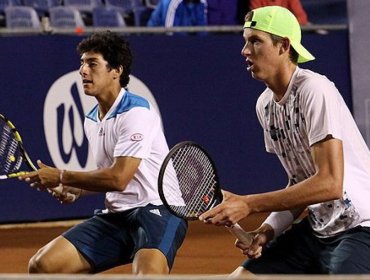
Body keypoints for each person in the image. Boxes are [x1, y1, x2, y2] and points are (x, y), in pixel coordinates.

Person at [199, 5, 370, 276]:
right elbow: (300, 182)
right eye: (246, 42)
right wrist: (267, 230)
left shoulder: (315, 90)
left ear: (284, 46)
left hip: (361, 228)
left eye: (255, 41)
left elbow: (329, 183)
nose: (245, 51)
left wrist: (249, 203)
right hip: (317, 229)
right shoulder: (265, 105)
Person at [19, 31, 188, 275]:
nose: (83, 71)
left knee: (148, 276)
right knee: (42, 265)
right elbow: (108, 176)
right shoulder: (91, 120)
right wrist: (75, 191)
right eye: (82, 63)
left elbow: (118, 178)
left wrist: (62, 176)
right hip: (117, 216)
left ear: (116, 71)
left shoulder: (136, 112)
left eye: (92, 63)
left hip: (159, 210)